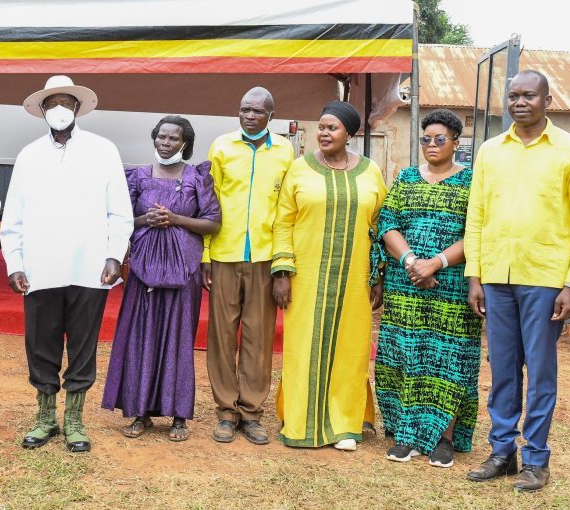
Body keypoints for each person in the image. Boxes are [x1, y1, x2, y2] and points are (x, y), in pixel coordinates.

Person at [1, 75, 133, 453]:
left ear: (78, 107)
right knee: (40, 346)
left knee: (83, 345)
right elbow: (14, 217)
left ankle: (74, 419)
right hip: (40, 267)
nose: (59, 109)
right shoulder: (28, 155)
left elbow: (120, 212)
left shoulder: (103, 150)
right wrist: (15, 262)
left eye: (66, 102)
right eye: (52, 103)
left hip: (90, 267)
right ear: (42, 110)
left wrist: (113, 256)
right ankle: (45, 417)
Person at [464, 70, 570, 492]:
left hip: (545, 279)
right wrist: (474, 274)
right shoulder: (491, 151)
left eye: (529, 95)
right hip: (496, 276)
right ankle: (502, 452)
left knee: (542, 372)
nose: (520, 102)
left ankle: (536, 459)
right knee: (503, 368)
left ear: (547, 100)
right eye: (513, 96)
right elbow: (475, 216)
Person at [271, 101, 386, 452]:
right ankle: (301, 419)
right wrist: (282, 270)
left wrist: (378, 275)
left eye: (332, 127)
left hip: (354, 278)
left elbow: (380, 225)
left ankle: (344, 424)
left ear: (349, 134)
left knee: (351, 349)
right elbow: (283, 222)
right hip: (306, 277)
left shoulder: (371, 172)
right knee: (303, 347)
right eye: (320, 126)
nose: (323, 132)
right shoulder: (299, 169)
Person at [101, 116, 221, 441]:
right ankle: (140, 413)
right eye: (161, 137)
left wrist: (176, 219)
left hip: (184, 270)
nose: (165, 143)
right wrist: (144, 219)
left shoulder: (197, 177)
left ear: (185, 143)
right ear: (154, 139)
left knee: (179, 338)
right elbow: (120, 218)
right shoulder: (138, 175)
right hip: (142, 269)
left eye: (173, 138)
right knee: (141, 336)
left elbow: (213, 222)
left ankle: (179, 416)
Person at [375, 108, 482, 468]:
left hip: (451, 286)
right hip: (406, 285)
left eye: (440, 139)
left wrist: (435, 263)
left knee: (449, 360)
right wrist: (410, 262)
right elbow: (387, 223)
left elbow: (478, 232)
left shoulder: (472, 182)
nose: (432, 145)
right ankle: (407, 434)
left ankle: (444, 438)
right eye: (426, 139)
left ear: (456, 142)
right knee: (406, 355)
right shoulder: (406, 178)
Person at [202, 87, 293, 445]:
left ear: (272, 114)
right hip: (224, 254)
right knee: (222, 336)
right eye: (244, 110)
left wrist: (283, 268)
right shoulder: (222, 146)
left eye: (257, 111)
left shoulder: (285, 151)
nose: (249, 116)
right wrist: (206, 255)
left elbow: (288, 212)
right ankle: (226, 412)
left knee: (258, 336)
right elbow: (209, 203)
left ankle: (252, 412)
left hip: (265, 258)